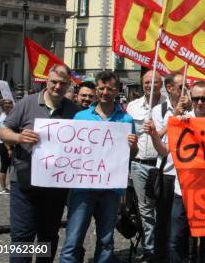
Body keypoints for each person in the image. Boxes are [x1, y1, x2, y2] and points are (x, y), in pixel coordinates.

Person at [0, 64, 79, 263]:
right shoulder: (26, 103)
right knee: (22, 237)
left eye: (63, 83)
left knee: (49, 236)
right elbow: (3, 131)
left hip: (55, 186)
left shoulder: (73, 110)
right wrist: (19, 137)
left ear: (69, 84)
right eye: (54, 82)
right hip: (25, 183)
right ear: (46, 80)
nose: (58, 87)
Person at [59, 70, 138, 263]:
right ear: (97, 89)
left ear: (117, 90)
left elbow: (131, 156)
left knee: (106, 240)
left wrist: (133, 146)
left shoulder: (126, 120)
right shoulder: (80, 117)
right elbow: (70, 151)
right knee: (73, 239)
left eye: (109, 89)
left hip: (110, 190)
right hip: (82, 189)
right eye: (101, 88)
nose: (105, 92)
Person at [145, 80, 205, 263]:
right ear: (191, 98)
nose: (200, 103)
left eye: (204, 98)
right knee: (176, 239)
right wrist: (153, 135)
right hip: (181, 190)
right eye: (196, 98)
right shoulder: (180, 120)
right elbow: (164, 151)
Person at [145, 73, 189, 263]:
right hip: (167, 171)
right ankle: (160, 256)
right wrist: (175, 117)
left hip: (186, 173)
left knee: (182, 221)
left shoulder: (193, 107)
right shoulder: (159, 110)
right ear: (170, 88)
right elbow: (160, 138)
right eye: (181, 87)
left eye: (186, 86)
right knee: (163, 219)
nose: (184, 90)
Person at [126, 70, 166, 261]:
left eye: (155, 82)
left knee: (164, 209)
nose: (151, 85)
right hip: (139, 164)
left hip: (162, 165)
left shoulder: (169, 106)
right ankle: (150, 250)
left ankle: (163, 247)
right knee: (145, 211)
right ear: (143, 84)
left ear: (162, 84)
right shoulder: (132, 107)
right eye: (147, 82)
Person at [0, 98, 14, 194]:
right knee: (4, 166)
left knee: (6, 165)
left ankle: (4, 187)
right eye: (10, 105)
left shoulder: (4, 115)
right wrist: (9, 149)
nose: (12, 106)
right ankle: (2, 188)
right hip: (4, 145)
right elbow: (3, 136)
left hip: (3, 144)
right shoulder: (3, 118)